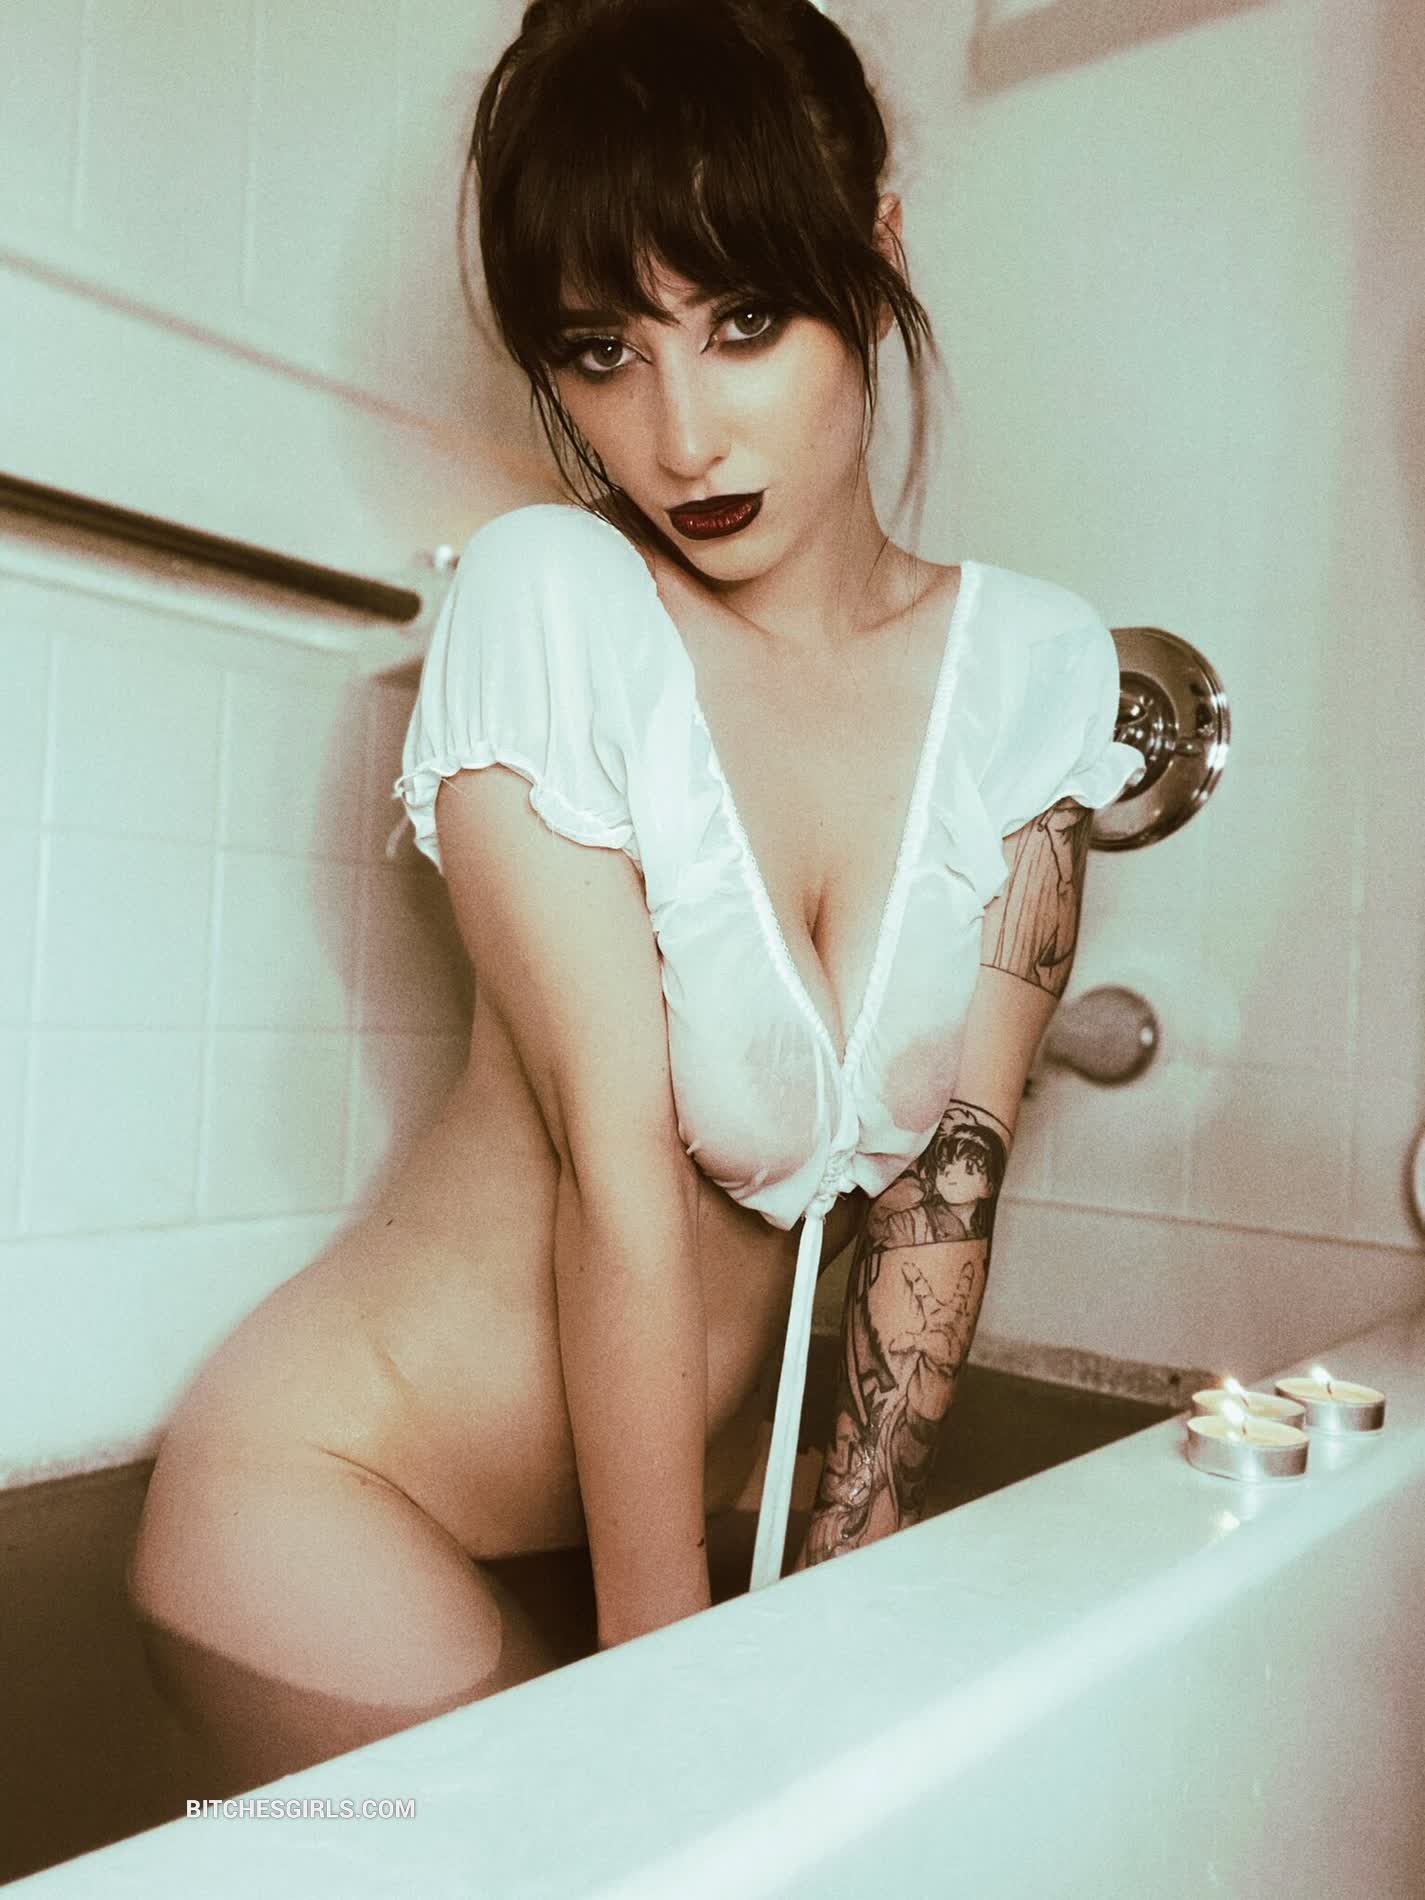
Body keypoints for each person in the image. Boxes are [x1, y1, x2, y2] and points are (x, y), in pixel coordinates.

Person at [127, 0, 1142, 1795]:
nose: (678, 437)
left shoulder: (1033, 672)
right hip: (339, 1499)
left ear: (875, 253)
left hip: (685, 1499)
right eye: (603, 351)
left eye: (744, 322)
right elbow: (621, 1176)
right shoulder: (552, 605)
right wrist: (667, 1690)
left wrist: (850, 1559)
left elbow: (950, 1180)